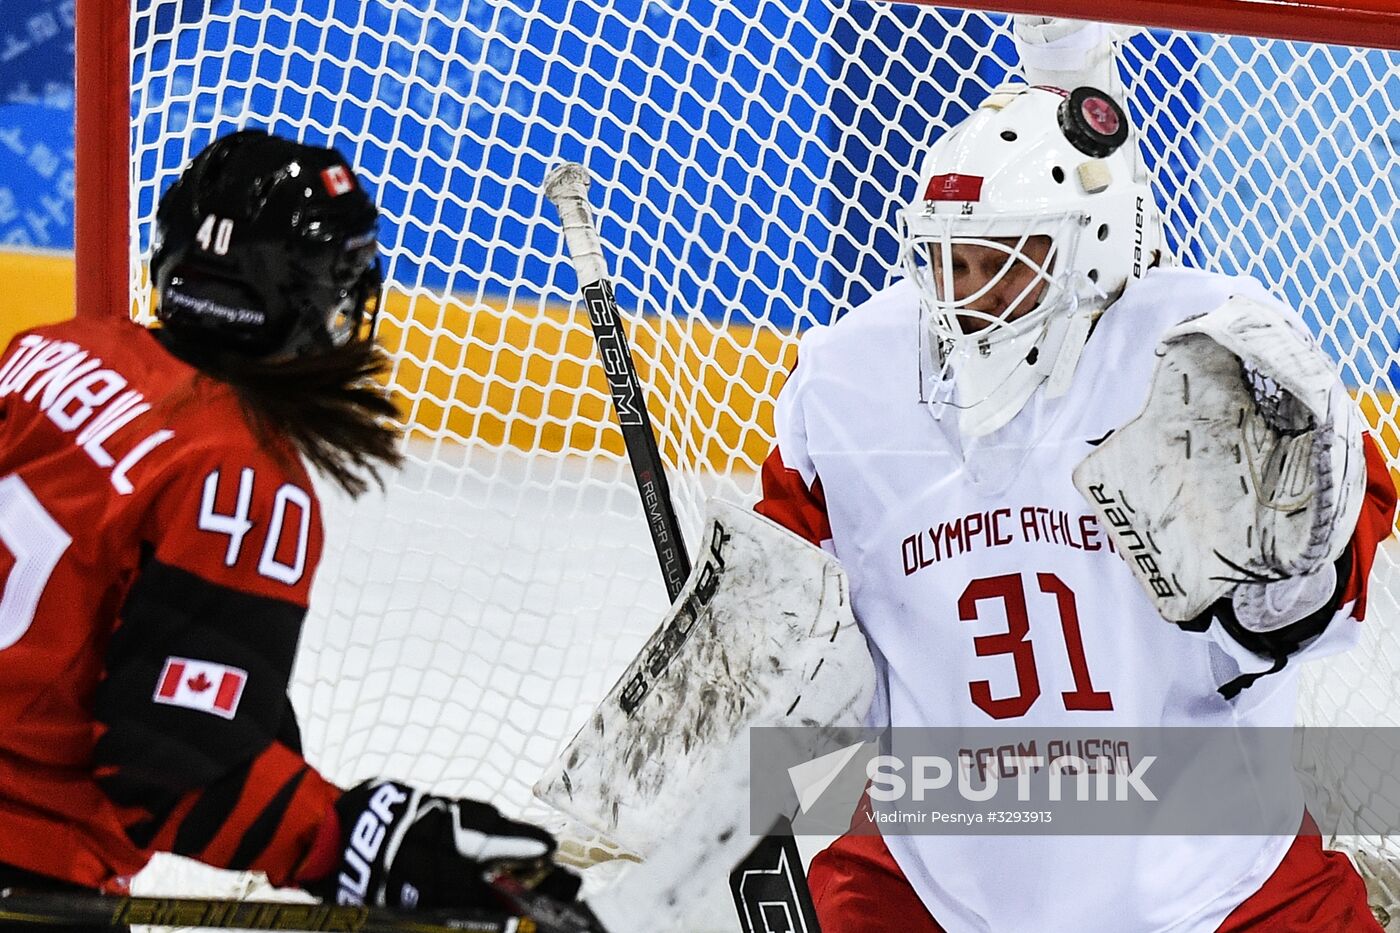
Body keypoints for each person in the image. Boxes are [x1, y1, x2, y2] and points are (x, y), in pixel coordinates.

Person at [754, 25, 1398, 933]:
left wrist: (1285, 593)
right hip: (934, 874)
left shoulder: (1204, 347)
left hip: (1215, 880)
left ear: (1087, 251)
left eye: (1001, 264)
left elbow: (1350, 518)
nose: (967, 296)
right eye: (950, 261)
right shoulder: (855, 377)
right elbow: (778, 595)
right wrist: (741, 666)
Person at [0, 130, 576, 926]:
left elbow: (110, 619)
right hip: (27, 861)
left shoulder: (52, 351)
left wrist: (262, 736)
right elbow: (167, 764)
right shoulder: (240, 474)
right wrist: (356, 838)